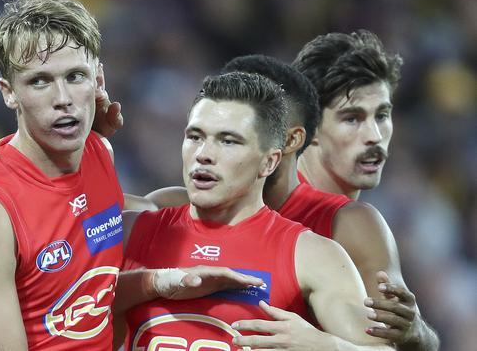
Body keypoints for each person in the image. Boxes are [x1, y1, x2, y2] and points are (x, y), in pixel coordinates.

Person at [0, 0, 260, 351]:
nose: (63, 98)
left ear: (98, 79)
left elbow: (90, 278)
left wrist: (160, 282)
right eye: (40, 81)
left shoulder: (99, 153)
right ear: (9, 93)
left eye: (75, 76)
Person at [121, 72, 394, 350]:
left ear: (269, 162)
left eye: (228, 141)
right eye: (195, 136)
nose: (203, 153)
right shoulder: (131, 232)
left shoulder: (311, 256)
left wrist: (327, 347)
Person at [293, 30, 440, 350]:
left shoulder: (252, 199)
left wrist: (419, 334)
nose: (374, 135)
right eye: (353, 118)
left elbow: (401, 333)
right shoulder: (357, 223)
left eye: (382, 115)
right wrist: (423, 339)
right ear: (309, 127)